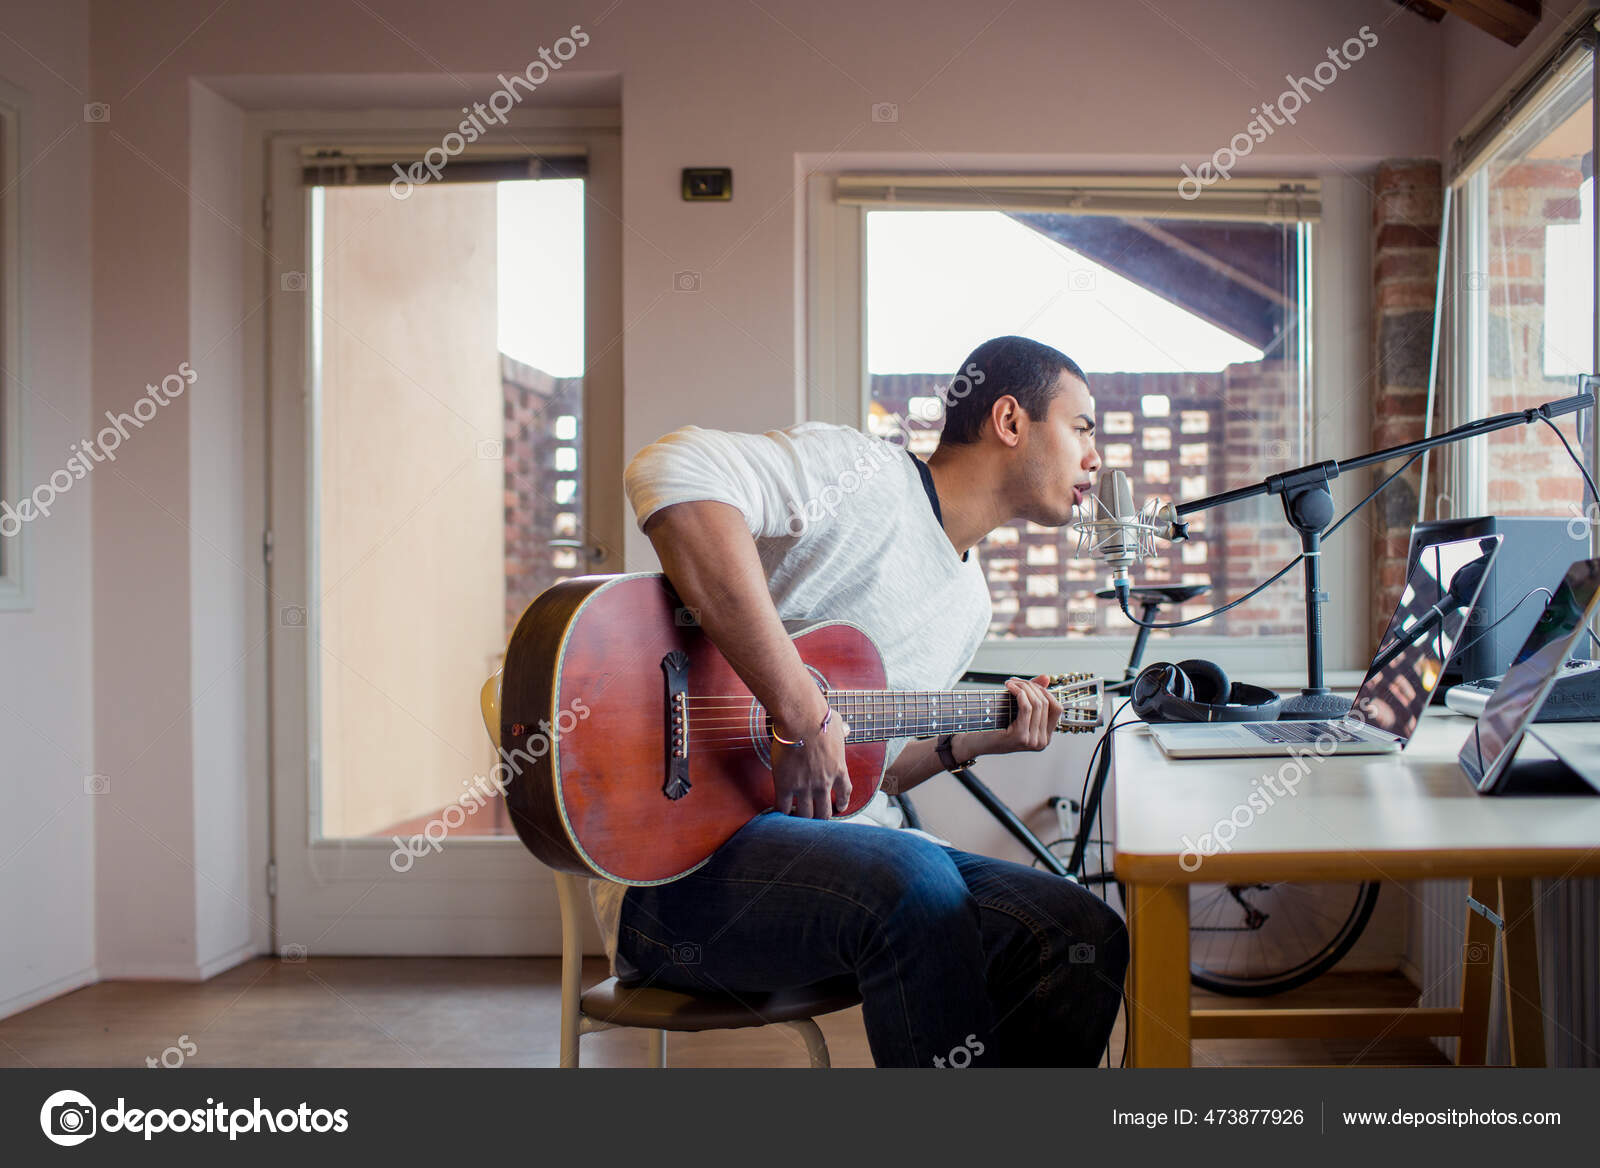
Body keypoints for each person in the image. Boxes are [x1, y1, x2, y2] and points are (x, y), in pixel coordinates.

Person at [592, 335, 1126, 1067]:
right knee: (915, 876)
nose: (1096, 456)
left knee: (1080, 932)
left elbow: (863, 777)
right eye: (1083, 426)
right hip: (680, 877)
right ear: (1010, 421)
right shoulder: (862, 474)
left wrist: (969, 741)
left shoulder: (969, 604)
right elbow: (669, 470)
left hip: (842, 870)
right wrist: (800, 711)